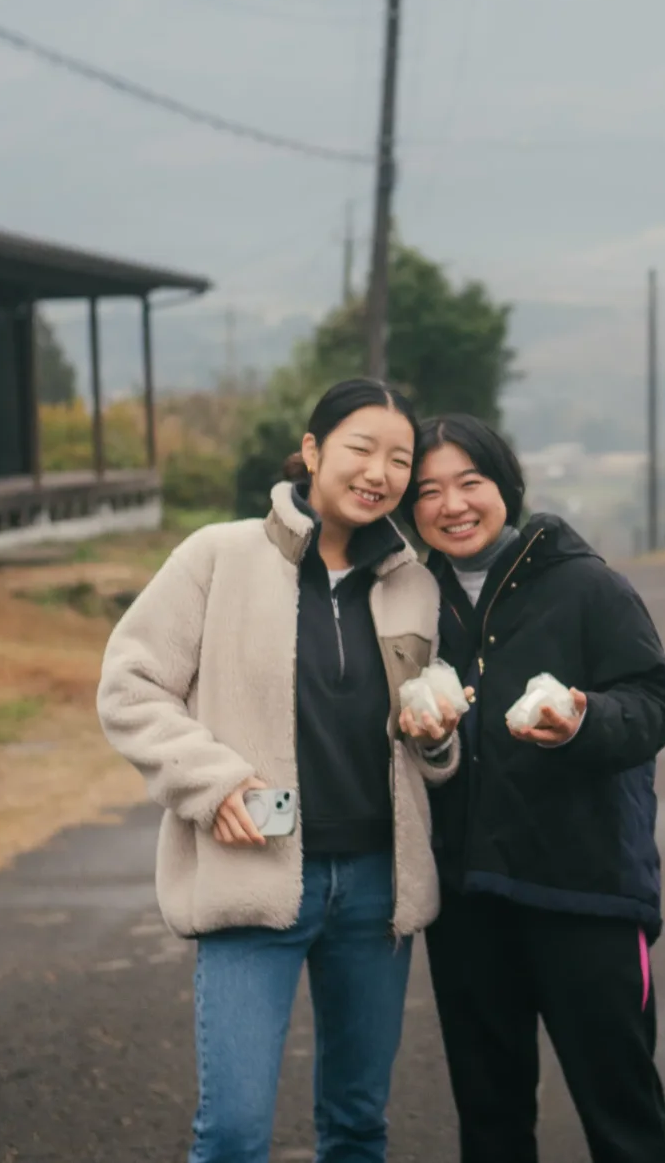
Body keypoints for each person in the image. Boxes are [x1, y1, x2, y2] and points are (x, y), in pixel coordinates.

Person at [97, 378, 463, 1163]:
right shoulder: (218, 556)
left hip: (377, 888)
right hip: (252, 871)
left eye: (400, 460)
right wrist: (213, 782)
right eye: (361, 448)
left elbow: (428, 745)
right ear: (312, 451)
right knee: (232, 1134)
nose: (379, 472)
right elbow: (130, 687)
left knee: (357, 1126)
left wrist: (436, 739)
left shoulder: (415, 585)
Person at [410, 412, 665, 1163]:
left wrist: (582, 721)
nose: (452, 505)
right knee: (490, 1122)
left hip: (586, 894)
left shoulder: (587, 585)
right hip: (468, 901)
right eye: (428, 490)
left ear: (506, 484)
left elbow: (656, 702)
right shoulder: (413, 601)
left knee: (623, 1116)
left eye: (470, 482)